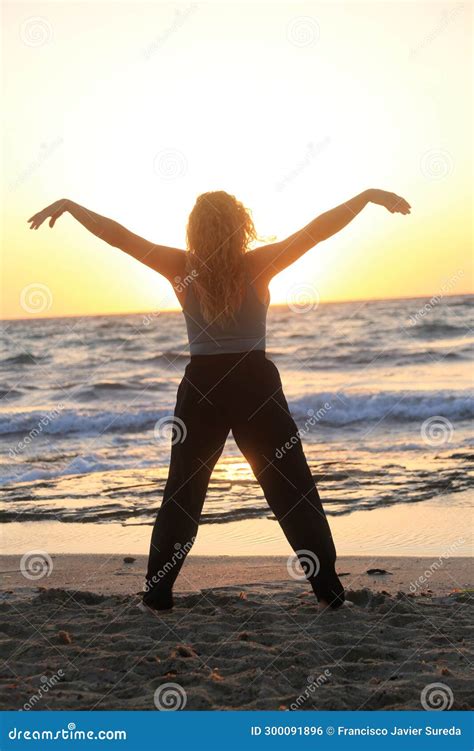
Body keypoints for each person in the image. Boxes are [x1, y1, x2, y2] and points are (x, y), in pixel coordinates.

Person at [28, 187, 411, 612]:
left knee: (183, 495)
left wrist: (70, 205)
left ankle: (156, 597)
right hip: (255, 384)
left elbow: (119, 236)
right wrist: (367, 197)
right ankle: (330, 595)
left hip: (202, 387)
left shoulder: (179, 266)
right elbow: (315, 231)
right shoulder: (258, 263)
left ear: (193, 229)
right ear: (240, 226)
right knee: (292, 492)